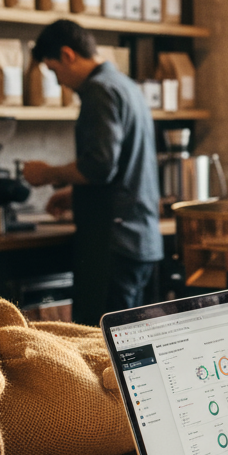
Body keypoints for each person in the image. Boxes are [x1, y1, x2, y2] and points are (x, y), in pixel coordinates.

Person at [23, 19, 163, 325]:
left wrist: (47, 173)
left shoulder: (99, 91)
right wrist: (75, 194)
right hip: (140, 240)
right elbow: (123, 168)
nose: (58, 81)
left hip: (112, 244)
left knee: (99, 346)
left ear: (68, 55)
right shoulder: (125, 86)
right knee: (133, 349)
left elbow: (99, 167)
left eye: (53, 69)